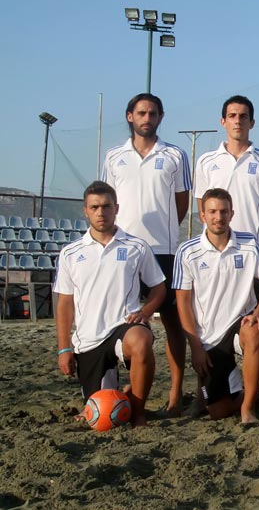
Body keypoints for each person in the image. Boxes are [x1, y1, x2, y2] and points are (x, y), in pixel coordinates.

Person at [193, 95, 259, 411]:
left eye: (243, 116)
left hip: (252, 259)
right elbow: (202, 209)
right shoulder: (206, 162)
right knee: (206, 324)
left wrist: (248, 241)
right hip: (216, 257)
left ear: (252, 122)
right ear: (223, 121)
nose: (237, 121)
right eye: (231, 115)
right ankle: (202, 396)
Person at [102, 92, 191, 416]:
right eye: (141, 113)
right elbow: (108, 200)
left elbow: (181, 203)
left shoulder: (175, 155)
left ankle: (176, 394)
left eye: (153, 113)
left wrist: (164, 232)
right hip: (123, 252)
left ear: (160, 118)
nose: (147, 118)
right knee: (120, 321)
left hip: (163, 250)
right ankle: (118, 390)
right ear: (130, 116)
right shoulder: (114, 156)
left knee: (173, 324)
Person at [54, 181, 165, 426]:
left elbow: (159, 288)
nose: (101, 212)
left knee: (141, 340)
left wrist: (145, 312)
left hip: (124, 326)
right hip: (89, 338)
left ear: (116, 208)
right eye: (94, 207)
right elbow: (64, 303)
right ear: (85, 211)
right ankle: (123, 394)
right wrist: (63, 348)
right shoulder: (70, 253)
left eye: (106, 206)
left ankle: (138, 413)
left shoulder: (136, 247)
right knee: (101, 416)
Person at [173, 188, 259, 424]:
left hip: (240, 324)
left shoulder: (249, 244)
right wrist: (195, 347)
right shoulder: (187, 252)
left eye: (223, 211)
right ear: (202, 215)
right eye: (212, 212)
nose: (218, 217)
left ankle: (248, 408)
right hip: (209, 338)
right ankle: (239, 393)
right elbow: (183, 303)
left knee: (254, 332)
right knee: (218, 411)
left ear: (232, 214)